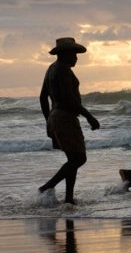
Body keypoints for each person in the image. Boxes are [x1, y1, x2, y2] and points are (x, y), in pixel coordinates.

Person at [39, 38, 100, 204]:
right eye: (74, 54)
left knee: (72, 159)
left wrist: (48, 119)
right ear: (65, 53)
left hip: (55, 115)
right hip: (65, 116)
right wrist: (89, 116)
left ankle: (68, 198)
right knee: (80, 158)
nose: (76, 58)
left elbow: (43, 97)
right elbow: (69, 98)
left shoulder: (51, 68)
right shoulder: (63, 68)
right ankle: (48, 186)